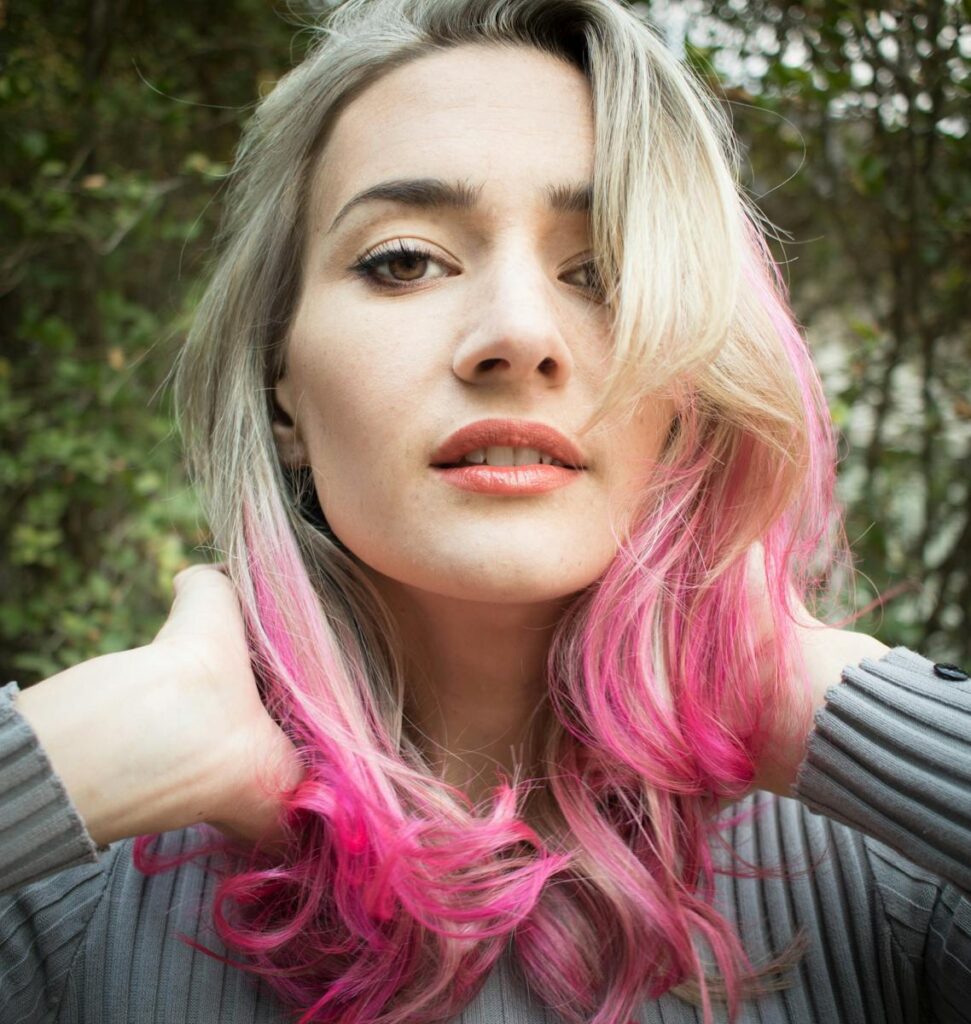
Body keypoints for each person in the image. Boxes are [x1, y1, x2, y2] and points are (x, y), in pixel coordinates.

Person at [2, 1, 969, 1022]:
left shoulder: (891, 881)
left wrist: (819, 702)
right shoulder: (70, 890)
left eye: (604, 272)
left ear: (690, 393)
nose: (515, 333)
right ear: (279, 382)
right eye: (404, 259)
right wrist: (80, 752)